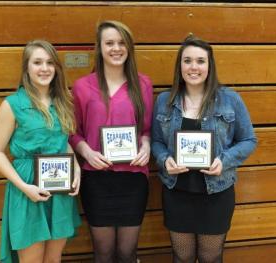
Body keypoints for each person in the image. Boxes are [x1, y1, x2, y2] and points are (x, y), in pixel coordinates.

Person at [151, 35, 257, 263]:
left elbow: (249, 140)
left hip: (216, 194)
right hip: (177, 192)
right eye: (187, 60)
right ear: (179, 66)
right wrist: (164, 158)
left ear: (210, 66)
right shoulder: (164, 101)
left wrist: (224, 161)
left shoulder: (230, 100)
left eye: (200, 61)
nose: (193, 67)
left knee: (211, 258)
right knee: (181, 257)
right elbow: (156, 141)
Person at [0, 40, 81, 263]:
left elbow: (63, 142)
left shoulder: (62, 102)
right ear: (26, 68)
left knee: (53, 259)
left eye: (50, 62)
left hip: (58, 189)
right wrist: (24, 187)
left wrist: (76, 170)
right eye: (37, 62)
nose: (45, 68)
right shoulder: (12, 104)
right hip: (27, 189)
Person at [69, 21, 153, 263]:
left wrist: (146, 146)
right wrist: (87, 152)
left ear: (129, 47)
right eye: (109, 43)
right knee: (103, 254)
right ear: (99, 47)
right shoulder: (82, 86)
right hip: (96, 178)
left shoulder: (143, 84)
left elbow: (146, 129)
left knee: (128, 253)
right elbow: (73, 133)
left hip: (134, 178)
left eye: (121, 43)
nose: (116, 48)